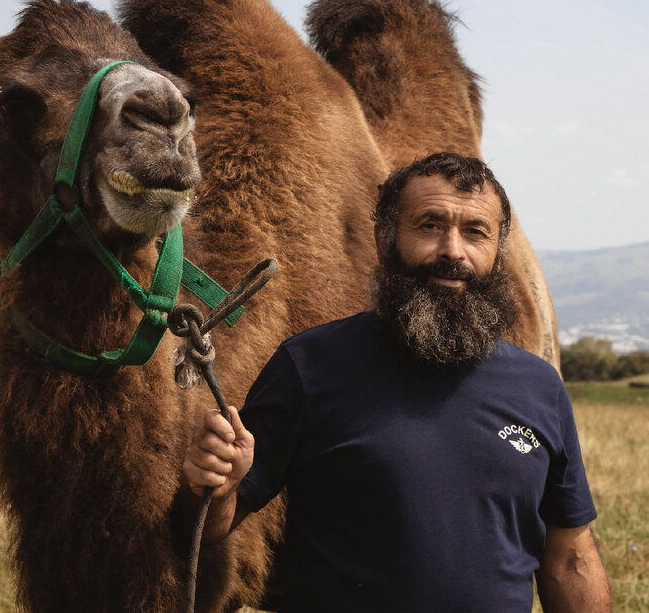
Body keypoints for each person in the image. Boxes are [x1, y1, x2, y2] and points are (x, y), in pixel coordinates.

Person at [184, 152, 611, 613]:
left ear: (497, 252)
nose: (453, 251)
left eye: (475, 232)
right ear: (385, 239)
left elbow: (569, 557)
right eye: (430, 225)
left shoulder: (538, 386)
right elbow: (212, 526)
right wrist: (219, 486)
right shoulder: (309, 366)